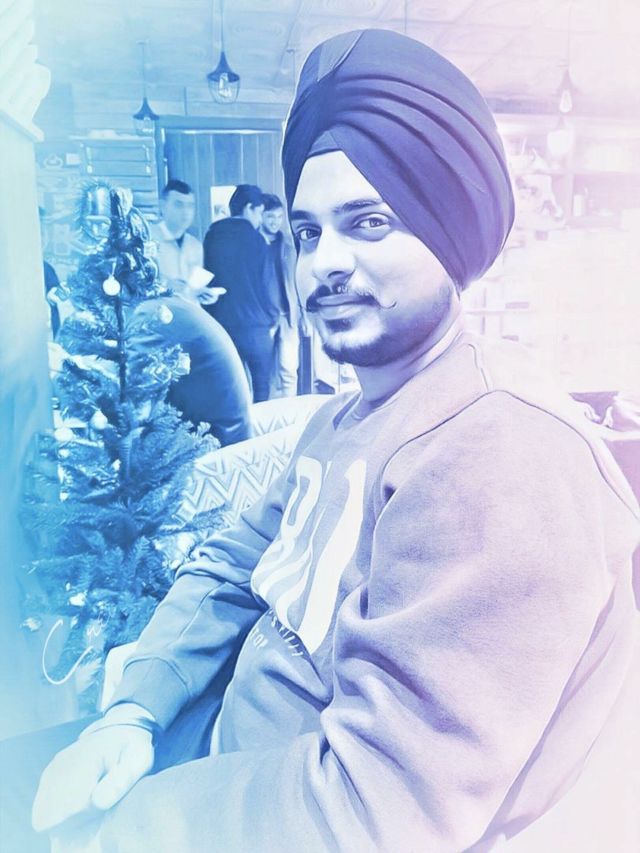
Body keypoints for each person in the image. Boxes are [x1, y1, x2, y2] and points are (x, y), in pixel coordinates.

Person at [29, 29, 640, 852]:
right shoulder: (341, 418)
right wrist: (136, 709)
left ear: (449, 233)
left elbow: (377, 810)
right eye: (309, 232)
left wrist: (125, 828)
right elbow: (231, 563)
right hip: (200, 754)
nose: (326, 263)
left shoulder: (503, 451)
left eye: (370, 222)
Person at [202, 185, 275, 403]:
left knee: (232, 387)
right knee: (262, 386)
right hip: (256, 327)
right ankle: (260, 422)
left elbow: (208, 277)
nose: (260, 220)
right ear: (249, 208)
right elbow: (267, 285)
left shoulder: (212, 236)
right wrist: (272, 317)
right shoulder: (257, 240)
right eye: (259, 213)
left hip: (222, 325)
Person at [260, 193, 301, 397]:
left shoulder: (288, 246)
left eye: (278, 217)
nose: (275, 222)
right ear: (261, 216)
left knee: (289, 370)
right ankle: (268, 411)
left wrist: (303, 316)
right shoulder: (253, 244)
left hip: (288, 316)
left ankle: (290, 410)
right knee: (265, 373)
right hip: (263, 318)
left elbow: (296, 282)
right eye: (270, 217)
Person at [149, 180, 204, 286]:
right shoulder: (148, 240)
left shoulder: (195, 245)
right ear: (163, 206)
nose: (186, 212)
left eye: (190, 206)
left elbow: (196, 286)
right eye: (179, 205)